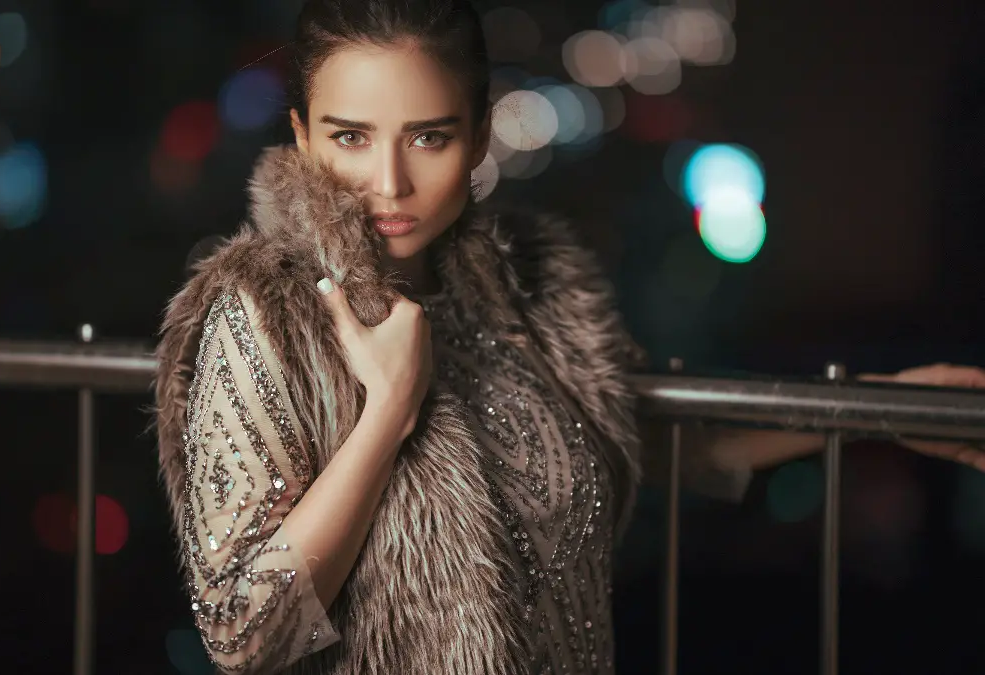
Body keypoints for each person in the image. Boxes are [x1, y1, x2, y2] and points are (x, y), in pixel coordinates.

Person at [153, 1, 985, 673]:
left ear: (479, 135)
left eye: (430, 136)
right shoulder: (266, 310)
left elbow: (645, 445)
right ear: (301, 137)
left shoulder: (530, 285)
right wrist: (388, 413)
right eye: (351, 137)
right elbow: (241, 631)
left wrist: (875, 410)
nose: (389, 182)